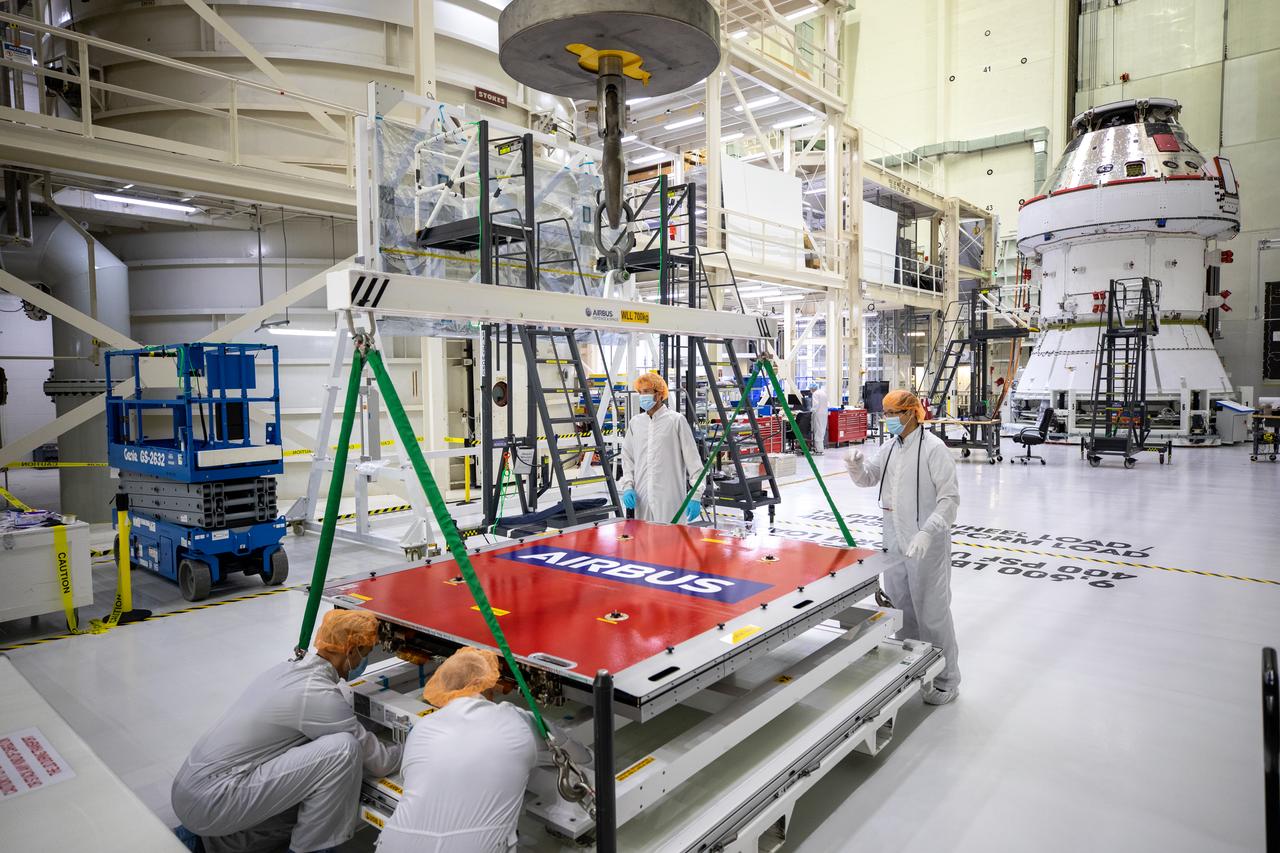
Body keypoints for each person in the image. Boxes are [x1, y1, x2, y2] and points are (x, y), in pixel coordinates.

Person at [172, 610, 402, 853]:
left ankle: (206, 844)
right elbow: (379, 762)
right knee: (343, 750)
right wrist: (413, 744)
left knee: (304, 800)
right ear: (350, 650)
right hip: (214, 800)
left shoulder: (289, 671)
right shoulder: (317, 694)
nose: (362, 662)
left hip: (192, 792)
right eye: (364, 653)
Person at [376, 648, 591, 852]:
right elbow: (576, 754)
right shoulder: (518, 721)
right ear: (488, 684)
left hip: (394, 843)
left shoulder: (421, 729)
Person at [845, 389, 961, 705]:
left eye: (894, 412)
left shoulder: (934, 449)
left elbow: (949, 500)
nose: (889, 419)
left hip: (927, 544)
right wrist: (855, 466)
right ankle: (911, 670)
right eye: (885, 413)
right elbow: (869, 478)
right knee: (901, 608)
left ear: (911, 412)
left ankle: (947, 680)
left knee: (932, 613)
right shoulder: (890, 448)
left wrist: (928, 532)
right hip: (893, 541)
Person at [619, 372, 705, 524]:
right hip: (642, 499)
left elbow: (694, 463)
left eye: (646, 392)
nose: (642, 396)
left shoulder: (676, 421)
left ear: (659, 394)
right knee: (644, 543)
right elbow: (628, 458)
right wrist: (627, 486)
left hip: (670, 499)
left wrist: (696, 495)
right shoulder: (636, 423)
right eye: (640, 392)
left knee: (671, 543)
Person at [810, 382, 829, 454]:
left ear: (812, 389)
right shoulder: (823, 392)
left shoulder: (815, 394)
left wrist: (811, 411)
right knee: (822, 430)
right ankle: (820, 449)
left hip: (818, 414)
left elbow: (815, 404)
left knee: (818, 431)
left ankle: (819, 450)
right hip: (824, 414)